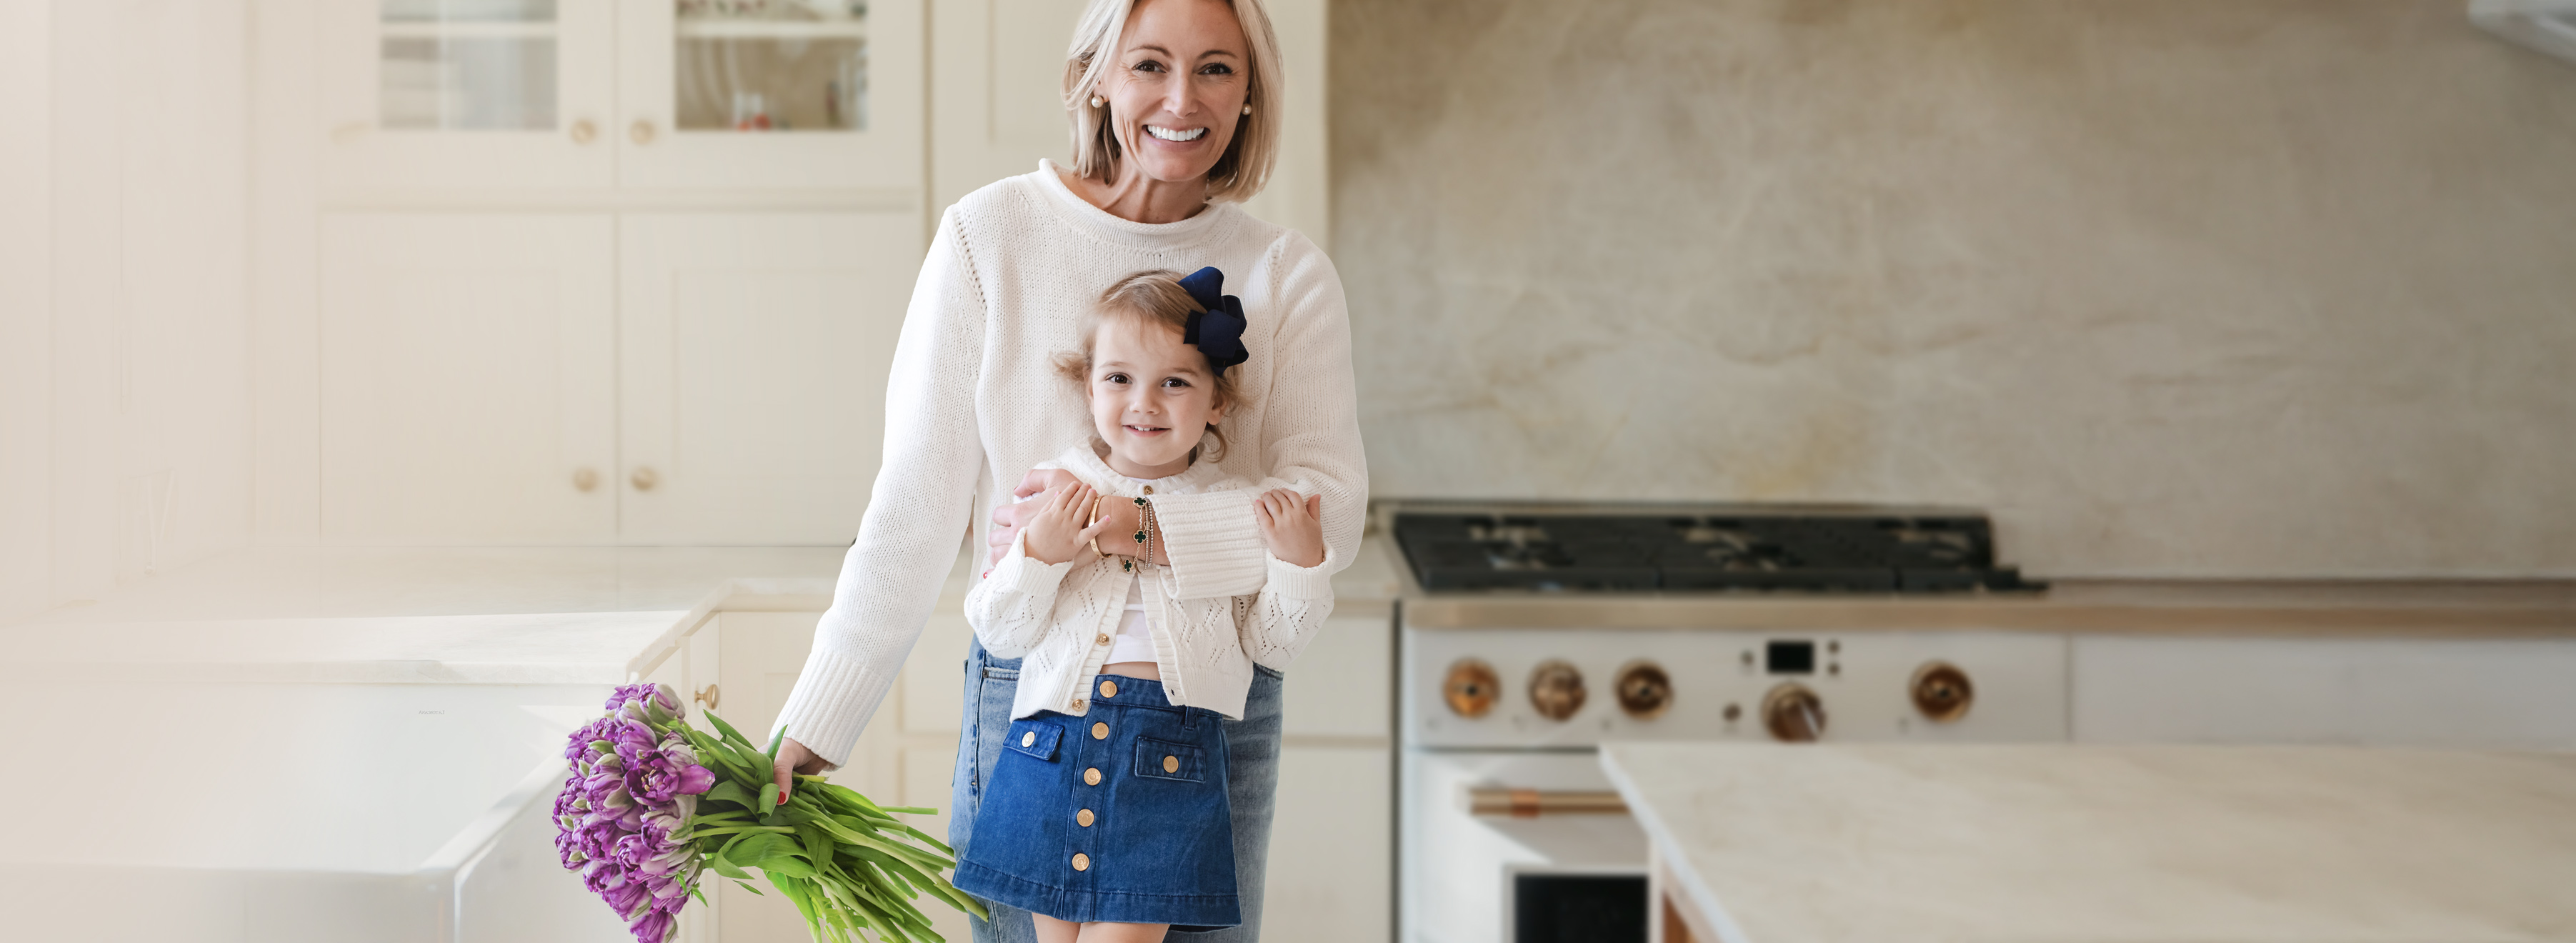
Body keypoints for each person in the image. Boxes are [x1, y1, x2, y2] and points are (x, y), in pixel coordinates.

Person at [761, 0, 1364, 938]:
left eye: (1216, 69)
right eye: (1149, 65)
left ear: (1250, 94)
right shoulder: (988, 236)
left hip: (1208, 697)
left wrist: (1136, 532)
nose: (1181, 98)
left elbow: (1324, 511)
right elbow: (916, 501)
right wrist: (822, 715)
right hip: (1032, 683)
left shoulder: (1283, 270)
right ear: (1095, 74)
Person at [949, 269, 1334, 943]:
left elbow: (1271, 648)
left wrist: (1298, 567)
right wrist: (1039, 555)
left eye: (1175, 382)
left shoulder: (1235, 513)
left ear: (1217, 401)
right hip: (1049, 743)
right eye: (1119, 378)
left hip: (1168, 757)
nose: (1144, 403)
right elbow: (999, 630)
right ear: (1089, 387)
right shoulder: (1053, 494)